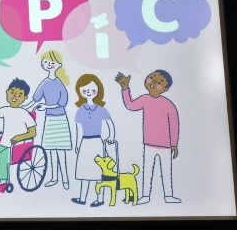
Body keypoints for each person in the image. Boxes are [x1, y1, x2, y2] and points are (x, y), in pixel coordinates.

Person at [114, 70, 180, 205]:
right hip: (149, 143)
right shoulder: (145, 99)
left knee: (166, 171)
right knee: (147, 170)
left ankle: (169, 196)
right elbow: (131, 105)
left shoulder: (168, 104)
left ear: (166, 89)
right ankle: (145, 196)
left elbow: (174, 124)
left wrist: (174, 144)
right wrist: (125, 88)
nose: (154, 82)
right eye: (152, 78)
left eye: (160, 82)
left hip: (166, 146)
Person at [23, 49, 73, 190]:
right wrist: (24, 108)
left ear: (58, 65)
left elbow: (62, 103)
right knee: (51, 151)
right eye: (46, 62)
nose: (48, 64)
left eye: (51, 62)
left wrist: (46, 106)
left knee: (61, 151)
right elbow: (34, 100)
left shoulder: (59, 83)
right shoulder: (44, 83)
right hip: (50, 120)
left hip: (60, 119)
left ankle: (65, 179)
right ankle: (54, 178)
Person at [0, 79, 37, 186]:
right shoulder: (6, 110)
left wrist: (19, 137)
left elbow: (32, 132)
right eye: (12, 92)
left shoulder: (24, 114)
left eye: (19, 94)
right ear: (7, 92)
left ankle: (3, 179)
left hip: (16, 144)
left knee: (3, 157)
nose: (15, 96)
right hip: (4, 143)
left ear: (25, 98)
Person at [72, 73, 115, 207]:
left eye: (92, 90)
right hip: (85, 142)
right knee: (83, 171)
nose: (89, 92)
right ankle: (82, 198)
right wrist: (77, 144)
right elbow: (78, 129)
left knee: (98, 172)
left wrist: (111, 137)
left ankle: (100, 199)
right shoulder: (80, 110)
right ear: (80, 92)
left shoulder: (101, 109)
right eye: (85, 90)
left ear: (98, 91)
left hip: (97, 142)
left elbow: (110, 124)